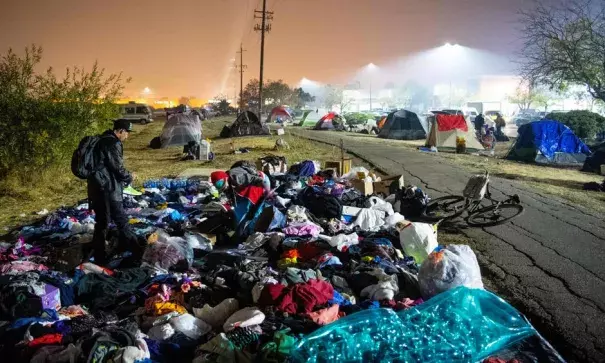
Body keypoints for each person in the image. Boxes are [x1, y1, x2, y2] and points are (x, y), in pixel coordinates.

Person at [87, 119, 140, 265]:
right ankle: (138, 251)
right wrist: (130, 176)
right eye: (127, 133)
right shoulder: (112, 143)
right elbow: (117, 168)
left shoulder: (100, 140)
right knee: (121, 221)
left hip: (96, 187)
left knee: (102, 223)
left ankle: (100, 256)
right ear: (121, 131)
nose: (127, 136)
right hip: (108, 189)